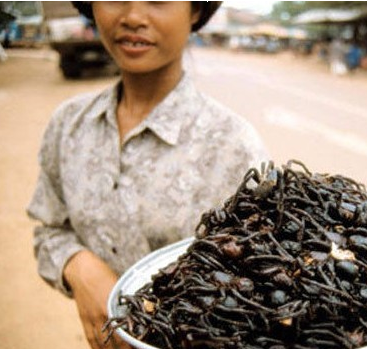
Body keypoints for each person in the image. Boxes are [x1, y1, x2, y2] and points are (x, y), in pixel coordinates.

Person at [27, 2, 269, 349]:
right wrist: (78, 266)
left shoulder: (234, 146)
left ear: (196, 11)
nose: (133, 17)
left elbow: (269, 285)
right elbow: (50, 229)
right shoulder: (69, 126)